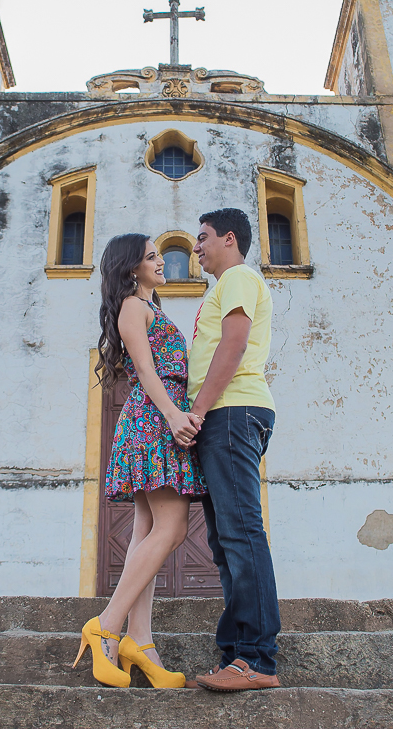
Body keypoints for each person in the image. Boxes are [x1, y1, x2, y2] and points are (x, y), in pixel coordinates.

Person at [73, 233, 207, 688]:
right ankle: (105, 625)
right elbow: (146, 370)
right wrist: (172, 416)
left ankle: (141, 641)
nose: (162, 261)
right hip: (154, 419)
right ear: (131, 268)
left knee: (147, 532)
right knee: (170, 528)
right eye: (153, 257)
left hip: (155, 418)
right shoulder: (134, 306)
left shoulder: (152, 308)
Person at [187, 208, 282, 691]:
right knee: (225, 542)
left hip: (231, 412)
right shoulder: (220, 287)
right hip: (222, 417)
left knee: (241, 534)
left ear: (228, 238)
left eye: (202, 238)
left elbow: (235, 343)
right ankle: (237, 655)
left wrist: (199, 410)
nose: (195, 246)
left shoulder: (240, 276)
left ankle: (257, 660)